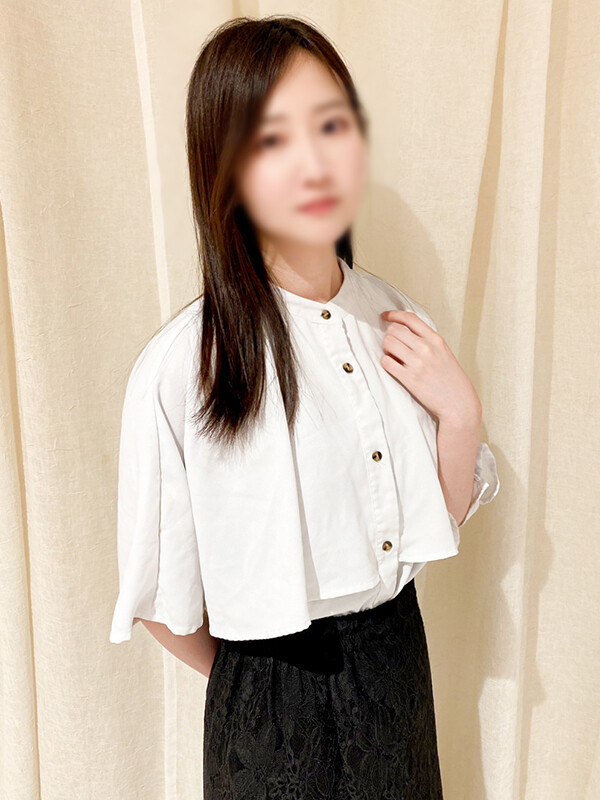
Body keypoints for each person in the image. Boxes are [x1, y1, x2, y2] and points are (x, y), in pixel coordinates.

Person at [109, 15, 500, 799]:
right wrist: (261, 687)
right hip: (268, 695)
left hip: (396, 670)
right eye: (272, 140)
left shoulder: (395, 319)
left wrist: (461, 417)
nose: (314, 163)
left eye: (331, 125)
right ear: (225, 168)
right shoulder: (189, 363)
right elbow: (156, 596)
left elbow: (433, 521)